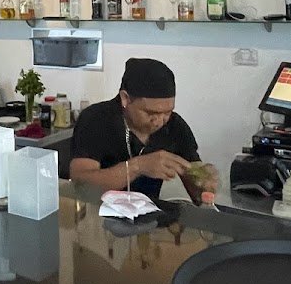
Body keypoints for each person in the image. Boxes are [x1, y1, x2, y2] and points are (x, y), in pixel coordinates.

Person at [69, 58, 214, 201]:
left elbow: (197, 193)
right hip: (97, 212)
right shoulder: (95, 119)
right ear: (125, 99)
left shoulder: (174, 125)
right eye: (151, 113)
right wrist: (138, 167)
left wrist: (204, 183)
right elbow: (81, 184)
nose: (159, 121)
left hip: (147, 213)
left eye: (167, 112)